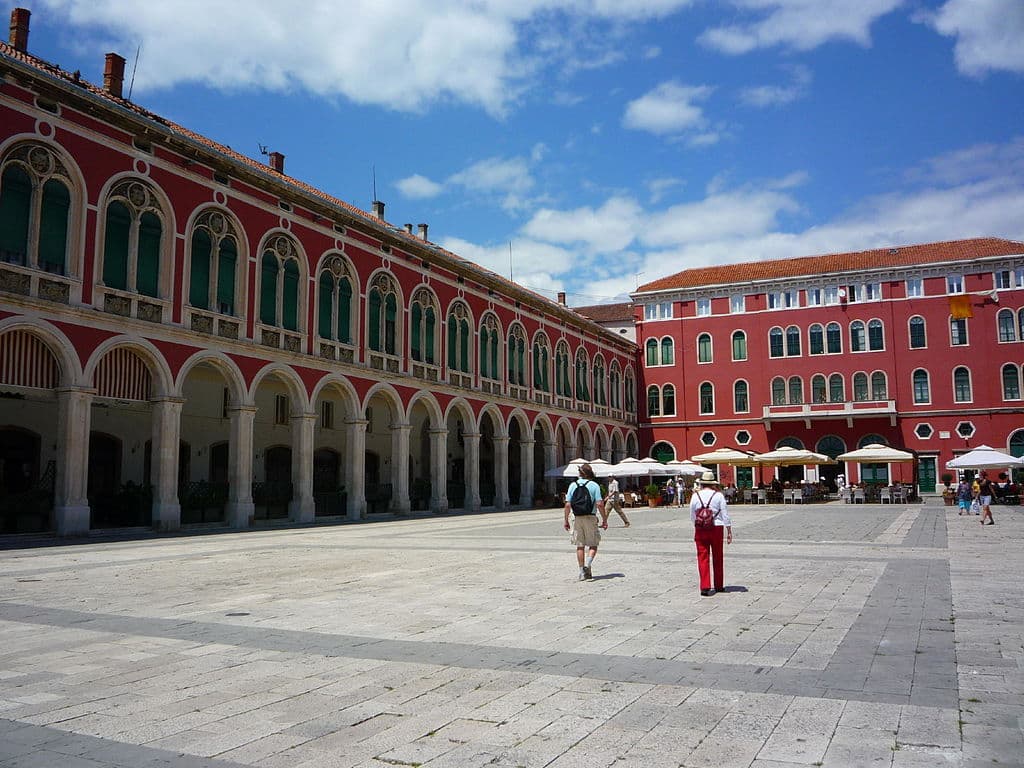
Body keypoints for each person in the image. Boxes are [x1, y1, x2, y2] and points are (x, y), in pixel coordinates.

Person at [689, 469, 733, 596]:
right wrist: (729, 530)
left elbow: (692, 515)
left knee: (702, 557)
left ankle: (705, 586)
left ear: (702, 484)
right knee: (718, 556)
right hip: (717, 528)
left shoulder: (695, 496)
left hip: (701, 529)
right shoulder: (718, 495)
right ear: (713, 483)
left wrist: (698, 525)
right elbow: (725, 514)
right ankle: (718, 585)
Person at [563, 463, 608, 580]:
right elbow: (599, 504)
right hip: (590, 517)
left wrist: (566, 520)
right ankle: (588, 565)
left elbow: (567, 505)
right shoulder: (594, 485)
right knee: (593, 544)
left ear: (580, 473)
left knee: (580, 545)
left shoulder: (573, 485)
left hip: (576, 517)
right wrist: (604, 519)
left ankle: (581, 571)